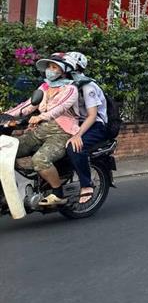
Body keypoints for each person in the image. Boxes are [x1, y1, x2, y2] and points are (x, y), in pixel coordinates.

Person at [2, 53, 80, 207]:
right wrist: (6, 115)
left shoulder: (70, 89)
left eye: (54, 67)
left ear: (64, 71)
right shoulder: (44, 87)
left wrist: (41, 117)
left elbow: (60, 107)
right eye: (49, 67)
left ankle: (58, 193)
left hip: (61, 133)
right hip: (41, 130)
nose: (50, 70)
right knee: (7, 148)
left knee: (40, 160)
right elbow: (28, 105)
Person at [63, 51, 108, 205]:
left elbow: (92, 115)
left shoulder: (88, 86)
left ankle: (86, 184)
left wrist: (78, 135)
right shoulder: (65, 85)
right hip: (75, 123)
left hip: (95, 125)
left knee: (74, 147)